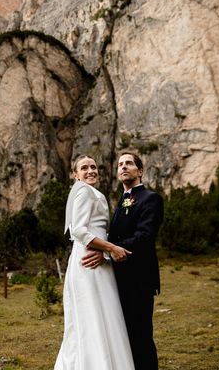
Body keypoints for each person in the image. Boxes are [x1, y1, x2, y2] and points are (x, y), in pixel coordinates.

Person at [82, 152, 164, 370]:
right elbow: (114, 236)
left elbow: (144, 237)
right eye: (120, 164)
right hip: (118, 279)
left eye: (129, 163)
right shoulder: (122, 200)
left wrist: (107, 252)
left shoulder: (151, 198)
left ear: (140, 170)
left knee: (141, 336)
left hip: (139, 279)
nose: (124, 167)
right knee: (124, 336)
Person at [54, 155, 135, 370]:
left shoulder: (93, 193)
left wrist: (105, 253)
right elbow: (79, 230)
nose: (90, 171)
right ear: (75, 174)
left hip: (97, 260)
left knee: (103, 315)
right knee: (94, 317)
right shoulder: (83, 191)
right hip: (89, 262)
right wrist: (111, 248)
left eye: (93, 167)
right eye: (84, 168)